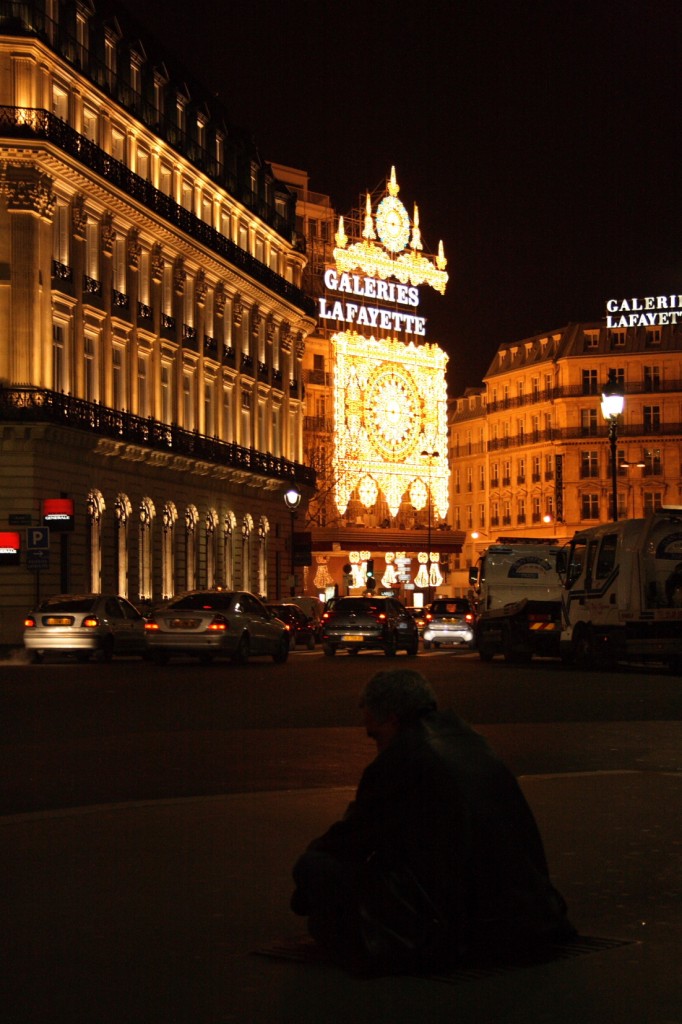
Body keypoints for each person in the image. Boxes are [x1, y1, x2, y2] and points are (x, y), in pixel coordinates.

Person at [291, 668, 573, 973]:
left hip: (456, 922)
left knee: (313, 868)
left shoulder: (401, 759)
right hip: (529, 911)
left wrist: (311, 863)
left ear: (392, 719)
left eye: (376, 735)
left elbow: (353, 838)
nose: (376, 745)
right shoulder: (472, 742)